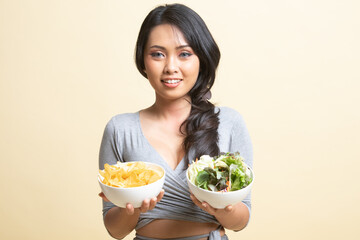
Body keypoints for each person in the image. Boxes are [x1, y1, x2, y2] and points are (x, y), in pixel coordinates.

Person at [98, 3, 253, 240]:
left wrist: (223, 209)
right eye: (157, 54)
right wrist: (133, 211)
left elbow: (241, 221)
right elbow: (115, 230)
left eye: (184, 54)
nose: (171, 67)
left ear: (202, 59)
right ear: (143, 61)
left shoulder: (229, 122)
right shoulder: (120, 129)